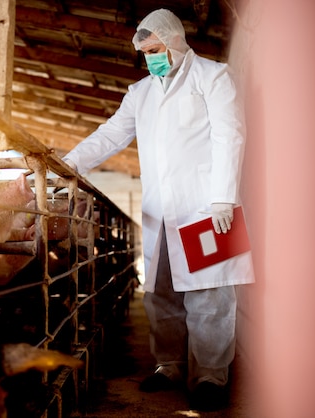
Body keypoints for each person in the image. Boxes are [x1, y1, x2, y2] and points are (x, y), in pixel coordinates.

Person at [62, 8, 255, 412]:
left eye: (155, 49)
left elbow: (229, 134)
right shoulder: (141, 93)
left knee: (211, 295)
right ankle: (168, 365)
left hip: (207, 208)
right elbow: (112, 134)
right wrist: (69, 164)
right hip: (161, 213)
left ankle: (210, 376)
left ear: (175, 41)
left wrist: (223, 195)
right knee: (161, 293)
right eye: (145, 52)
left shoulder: (213, 76)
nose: (150, 58)